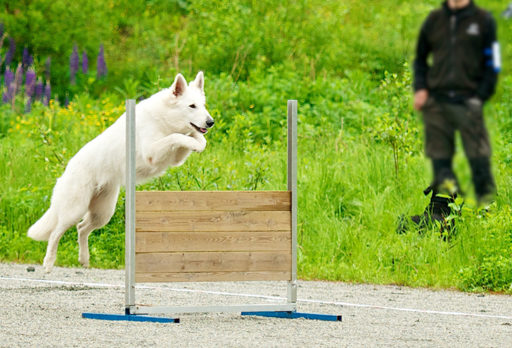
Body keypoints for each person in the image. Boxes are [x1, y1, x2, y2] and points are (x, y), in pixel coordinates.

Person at [411, 0, 501, 228]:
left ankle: (483, 214)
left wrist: (479, 96)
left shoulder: (484, 21)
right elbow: (421, 59)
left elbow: (494, 64)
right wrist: (421, 88)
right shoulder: (434, 21)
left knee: (476, 155)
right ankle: (439, 214)